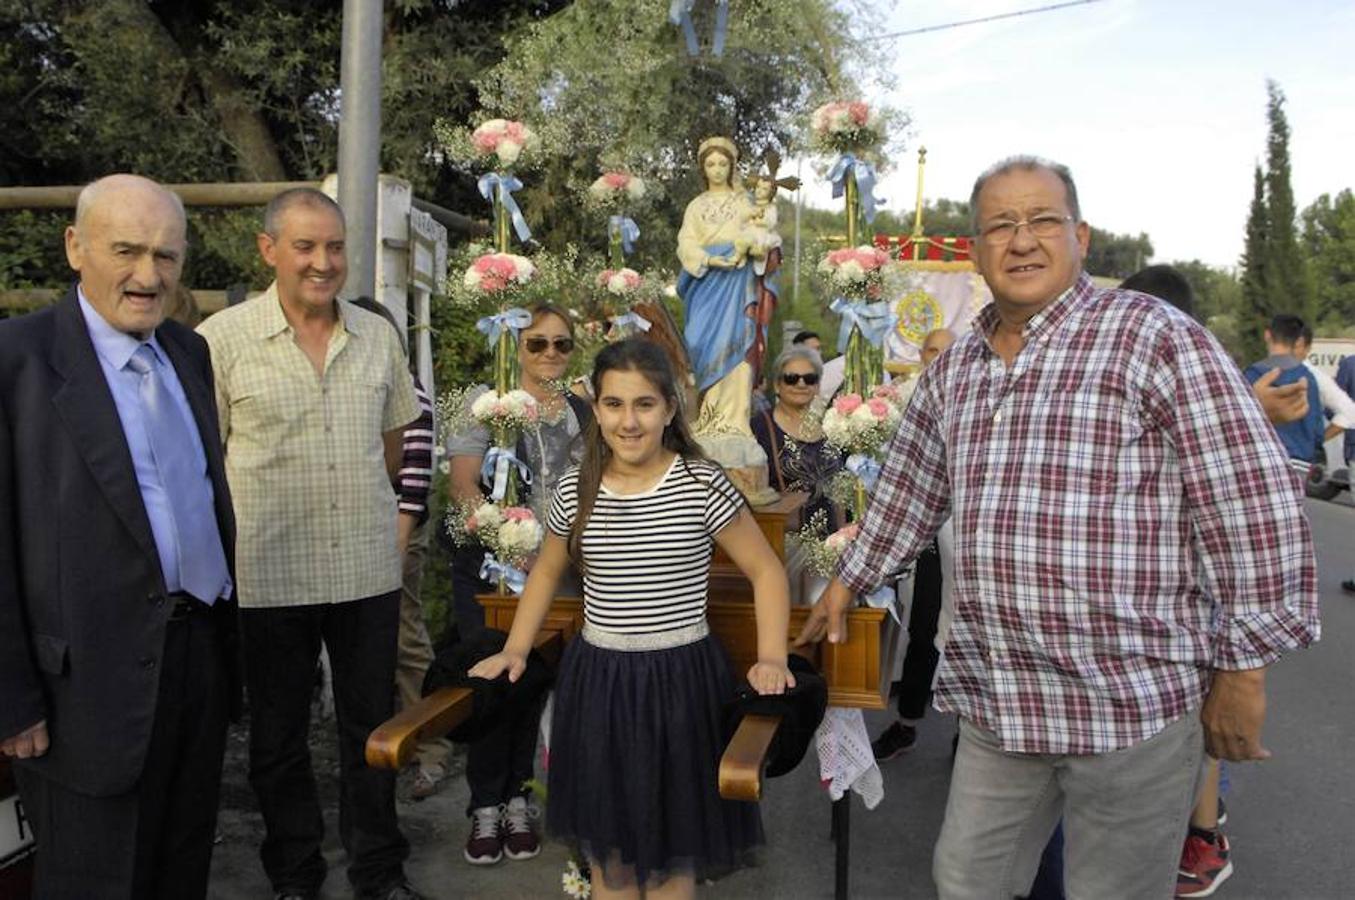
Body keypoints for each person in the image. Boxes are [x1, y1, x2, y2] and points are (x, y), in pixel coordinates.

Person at [796, 155, 1320, 899]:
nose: (1021, 240)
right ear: (976, 251)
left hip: (1131, 704)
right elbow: (910, 493)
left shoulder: (1151, 336)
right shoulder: (955, 371)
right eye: (999, 226)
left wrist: (1241, 669)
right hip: (1000, 702)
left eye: (1041, 220)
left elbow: (1247, 501)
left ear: (1080, 235)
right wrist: (846, 581)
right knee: (965, 881)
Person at [470, 339, 793, 899]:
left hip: (682, 683)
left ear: (670, 409)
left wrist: (771, 657)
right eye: (614, 404)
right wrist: (517, 648)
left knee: (674, 856)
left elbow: (767, 571)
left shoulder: (700, 484)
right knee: (612, 860)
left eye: (644, 404)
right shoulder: (577, 488)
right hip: (601, 685)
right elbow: (546, 571)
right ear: (596, 410)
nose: (629, 420)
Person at [0, 174, 237, 898]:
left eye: (166, 256)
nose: (148, 276)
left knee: (180, 864)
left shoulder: (186, 352)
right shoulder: (17, 360)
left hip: (196, 660)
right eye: (126, 251)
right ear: (75, 246)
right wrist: (12, 699)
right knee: (94, 880)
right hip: (80, 691)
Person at [197, 187, 422, 900]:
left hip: (364, 569)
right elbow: (206, 457)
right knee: (278, 740)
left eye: (334, 247)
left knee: (373, 730)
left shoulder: (377, 336)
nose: (323, 262)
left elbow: (391, 448)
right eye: (305, 246)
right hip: (267, 574)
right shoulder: (221, 341)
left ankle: (377, 874)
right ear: (268, 251)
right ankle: (296, 875)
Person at [445, 303, 591, 865]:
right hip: (492, 569)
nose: (550, 354)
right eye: (537, 344)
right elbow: (463, 492)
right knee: (491, 681)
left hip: (557, 571)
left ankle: (519, 798)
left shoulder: (581, 410)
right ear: (514, 344)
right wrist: (515, 548)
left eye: (561, 344)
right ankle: (485, 804)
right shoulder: (486, 404)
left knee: (532, 680)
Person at [348, 297, 450, 801]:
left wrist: (394, 554)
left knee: (406, 638)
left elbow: (412, 486)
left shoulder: (413, 397)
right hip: (357, 531)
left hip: (397, 531)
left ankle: (430, 750)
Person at [872, 327, 954, 762]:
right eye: (933, 350)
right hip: (926, 532)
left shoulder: (977, 393)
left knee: (969, 627)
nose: (939, 358)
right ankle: (906, 723)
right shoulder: (903, 400)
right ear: (921, 354)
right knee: (922, 626)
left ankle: (969, 729)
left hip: (969, 532)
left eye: (948, 351)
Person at [676, 136, 777, 486]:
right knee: (701, 347)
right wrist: (707, 258)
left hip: (738, 286)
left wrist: (757, 247)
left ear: (732, 167)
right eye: (710, 164)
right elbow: (686, 243)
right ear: (703, 169)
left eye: (722, 164)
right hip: (706, 285)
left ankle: (734, 424)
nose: (717, 170)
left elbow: (763, 236)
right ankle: (707, 419)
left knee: (739, 349)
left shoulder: (746, 201)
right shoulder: (696, 206)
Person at [749, 344, 842, 530]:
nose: (801, 384)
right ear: (777, 384)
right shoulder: (758, 428)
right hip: (783, 543)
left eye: (809, 378)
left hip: (829, 544)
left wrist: (841, 534)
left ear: (817, 386)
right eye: (791, 378)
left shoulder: (832, 427)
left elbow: (838, 491)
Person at [1243, 315, 1340, 464]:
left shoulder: (1252, 375)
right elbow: (1317, 432)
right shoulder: (1308, 377)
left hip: (1265, 461)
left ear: (1267, 335)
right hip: (1302, 463)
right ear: (1297, 341)